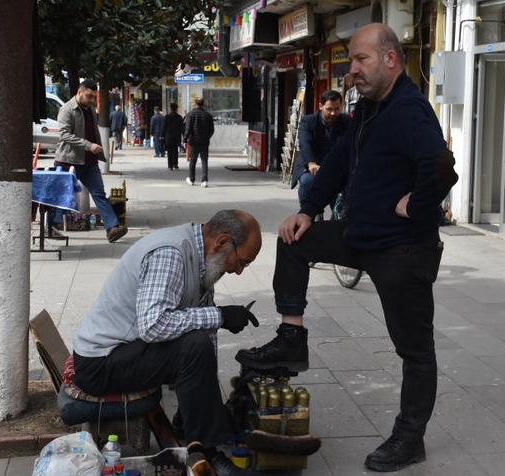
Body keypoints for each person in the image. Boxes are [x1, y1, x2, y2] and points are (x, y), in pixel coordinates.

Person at [235, 23, 454, 473]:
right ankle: (292, 338)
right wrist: (309, 209)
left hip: (402, 251)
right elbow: (337, 163)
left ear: (391, 59)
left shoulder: (408, 109)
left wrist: (419, 206)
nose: (352, 70)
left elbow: (442, 167)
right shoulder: (370, 109)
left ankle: (409, 439)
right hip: (361, 237)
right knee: (294, 240)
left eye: (361, 60)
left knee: (415, 352)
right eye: (351, 60)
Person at [72, 210, 263, 476]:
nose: (239, 271)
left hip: (127, 352)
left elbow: (205, 336)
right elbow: (153, 326)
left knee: (197, 340)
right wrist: (220, 315)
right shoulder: (171, 253)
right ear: (222, 242)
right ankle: (206, 450)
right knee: (193, 344)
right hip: (101, 364)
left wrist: (204, 405)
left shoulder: (203, 259)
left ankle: (189, 425)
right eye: (241, 261)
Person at [54, 79, 128, 243]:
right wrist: (88, 146)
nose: (92, 100)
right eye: (89, 96)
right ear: (79, 92)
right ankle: (52, 225)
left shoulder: (91, 110)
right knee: (62, 196)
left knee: (99, 194)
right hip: (68, 161)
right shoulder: (67, 109)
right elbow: (64, 135)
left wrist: (97, 151)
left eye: (94, 97)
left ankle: (112, 228)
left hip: (89, 162)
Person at [291, 90, 350, 206]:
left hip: (336, 165)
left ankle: (338, 216)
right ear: (320, 106)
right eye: (329, 109)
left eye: (337, 109)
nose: (333, 113)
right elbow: (305, 143)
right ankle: (307, 212)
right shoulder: (308, 121)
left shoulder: (346, 121)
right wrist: (311, 163)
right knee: (308, 181)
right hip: (312, 165)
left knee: (344, 188)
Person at [184, 98, 215, 188]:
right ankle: (204, 180)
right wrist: (207, 137)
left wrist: (185, 139)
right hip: (204, 142)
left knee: (193, 160)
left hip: (193, 141)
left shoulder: (191, 114)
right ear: (203, 103)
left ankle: (191, 179)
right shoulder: (208, 115)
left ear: (195, 104)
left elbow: (188, 128)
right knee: (204, 161)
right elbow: (212, 130)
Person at [163, 103, 183, 171]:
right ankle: (175, 164)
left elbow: (164, 127)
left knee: (169, 151)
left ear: (170, 108)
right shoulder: (179, 117)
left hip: (169, 136)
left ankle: (170, 165)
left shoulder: (167, 117)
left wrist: (162, 135)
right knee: (175, 151)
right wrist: (184, 136)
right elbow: (182, 128)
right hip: (176, 137)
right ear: (176, 108)